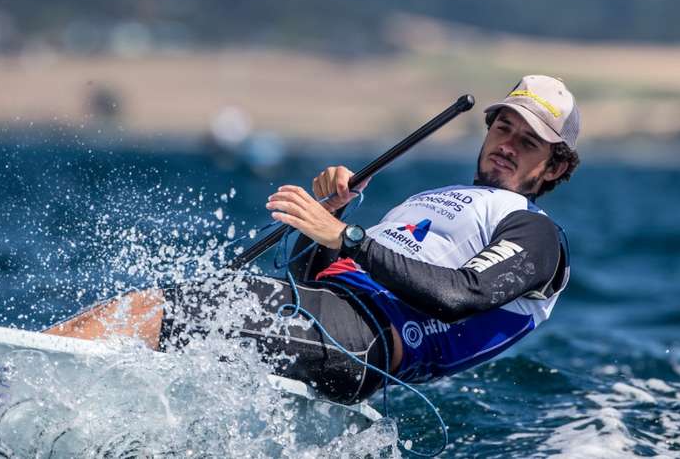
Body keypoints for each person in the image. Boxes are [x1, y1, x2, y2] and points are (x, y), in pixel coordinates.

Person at [46, 75, 580, 405]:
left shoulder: (536, 234)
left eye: (529, 141)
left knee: (159, 311)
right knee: (168, 316)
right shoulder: (434, 199)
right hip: (327, 321)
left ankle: (14, 379)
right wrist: (329, 222)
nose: (508, 145)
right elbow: (312, 278)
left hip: (363, 342)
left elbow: (460, 295)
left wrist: (346, 236)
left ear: (555, 164)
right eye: (503, 128)